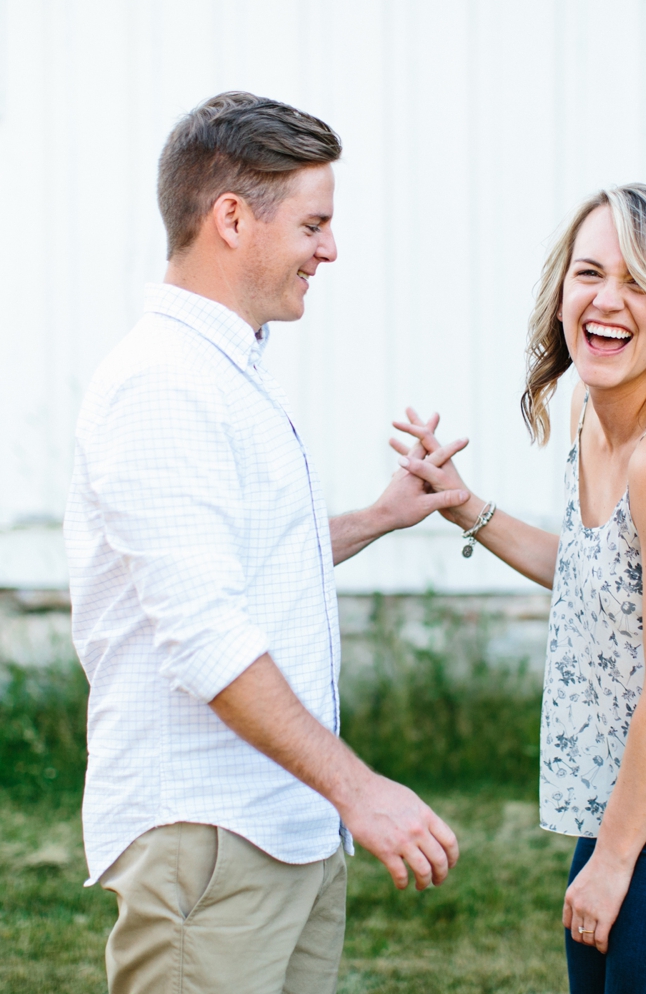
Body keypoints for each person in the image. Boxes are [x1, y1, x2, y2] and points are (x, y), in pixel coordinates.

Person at [64, 92, 468, 994]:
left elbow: (242, 558)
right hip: (210, 839)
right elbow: (204, 632)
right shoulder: (162, 386)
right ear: (233, 218)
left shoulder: (225, 367)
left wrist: (379, 515)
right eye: (314, 224)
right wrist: (362, 791)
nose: (330, 249)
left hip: (286, 823)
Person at [392, 184, 646, 993]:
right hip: (636, 797)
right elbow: (595, 572)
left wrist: (613, 861)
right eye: (589, 273)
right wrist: (464, 504)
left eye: (639, 280)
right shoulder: (594, 408)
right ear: (560, 293)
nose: (608, 300)